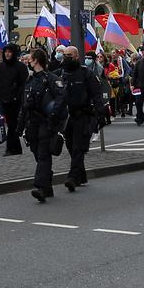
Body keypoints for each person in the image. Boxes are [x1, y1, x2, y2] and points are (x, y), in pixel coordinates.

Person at [22, 47, 65, 202]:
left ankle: (41, 186)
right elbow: (24, 104)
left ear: (36, 60)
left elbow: (61, 96)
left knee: (43, 153)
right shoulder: (30, 81)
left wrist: (53, 114)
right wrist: (19, 126)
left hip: (46, 122)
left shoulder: (52, 78)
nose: (28, 61)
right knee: (35, 151)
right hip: (31, 122)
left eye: (30, 58)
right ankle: (47, 184)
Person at [58, 45, 102, 191]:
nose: (65, 58)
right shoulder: (61, 74)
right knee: (70, 147)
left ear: (76, 57)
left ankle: (72, 177)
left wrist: (99, 114)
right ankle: (81, 175)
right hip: (67, 117)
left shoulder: (86, 74)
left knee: (78, 147)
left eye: (68, 56)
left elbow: (96, 94)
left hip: (82, 115)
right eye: (64, 55)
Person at [0, 43, 28, 155]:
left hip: (16, 100)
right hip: (5, 99)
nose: (7, 54)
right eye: (6, 52)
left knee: (13, 124)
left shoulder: (20, 66)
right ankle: (16, 148)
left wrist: (18, 96)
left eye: (9, 52)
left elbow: (24, 84)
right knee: (11, 124)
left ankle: (10, 147)